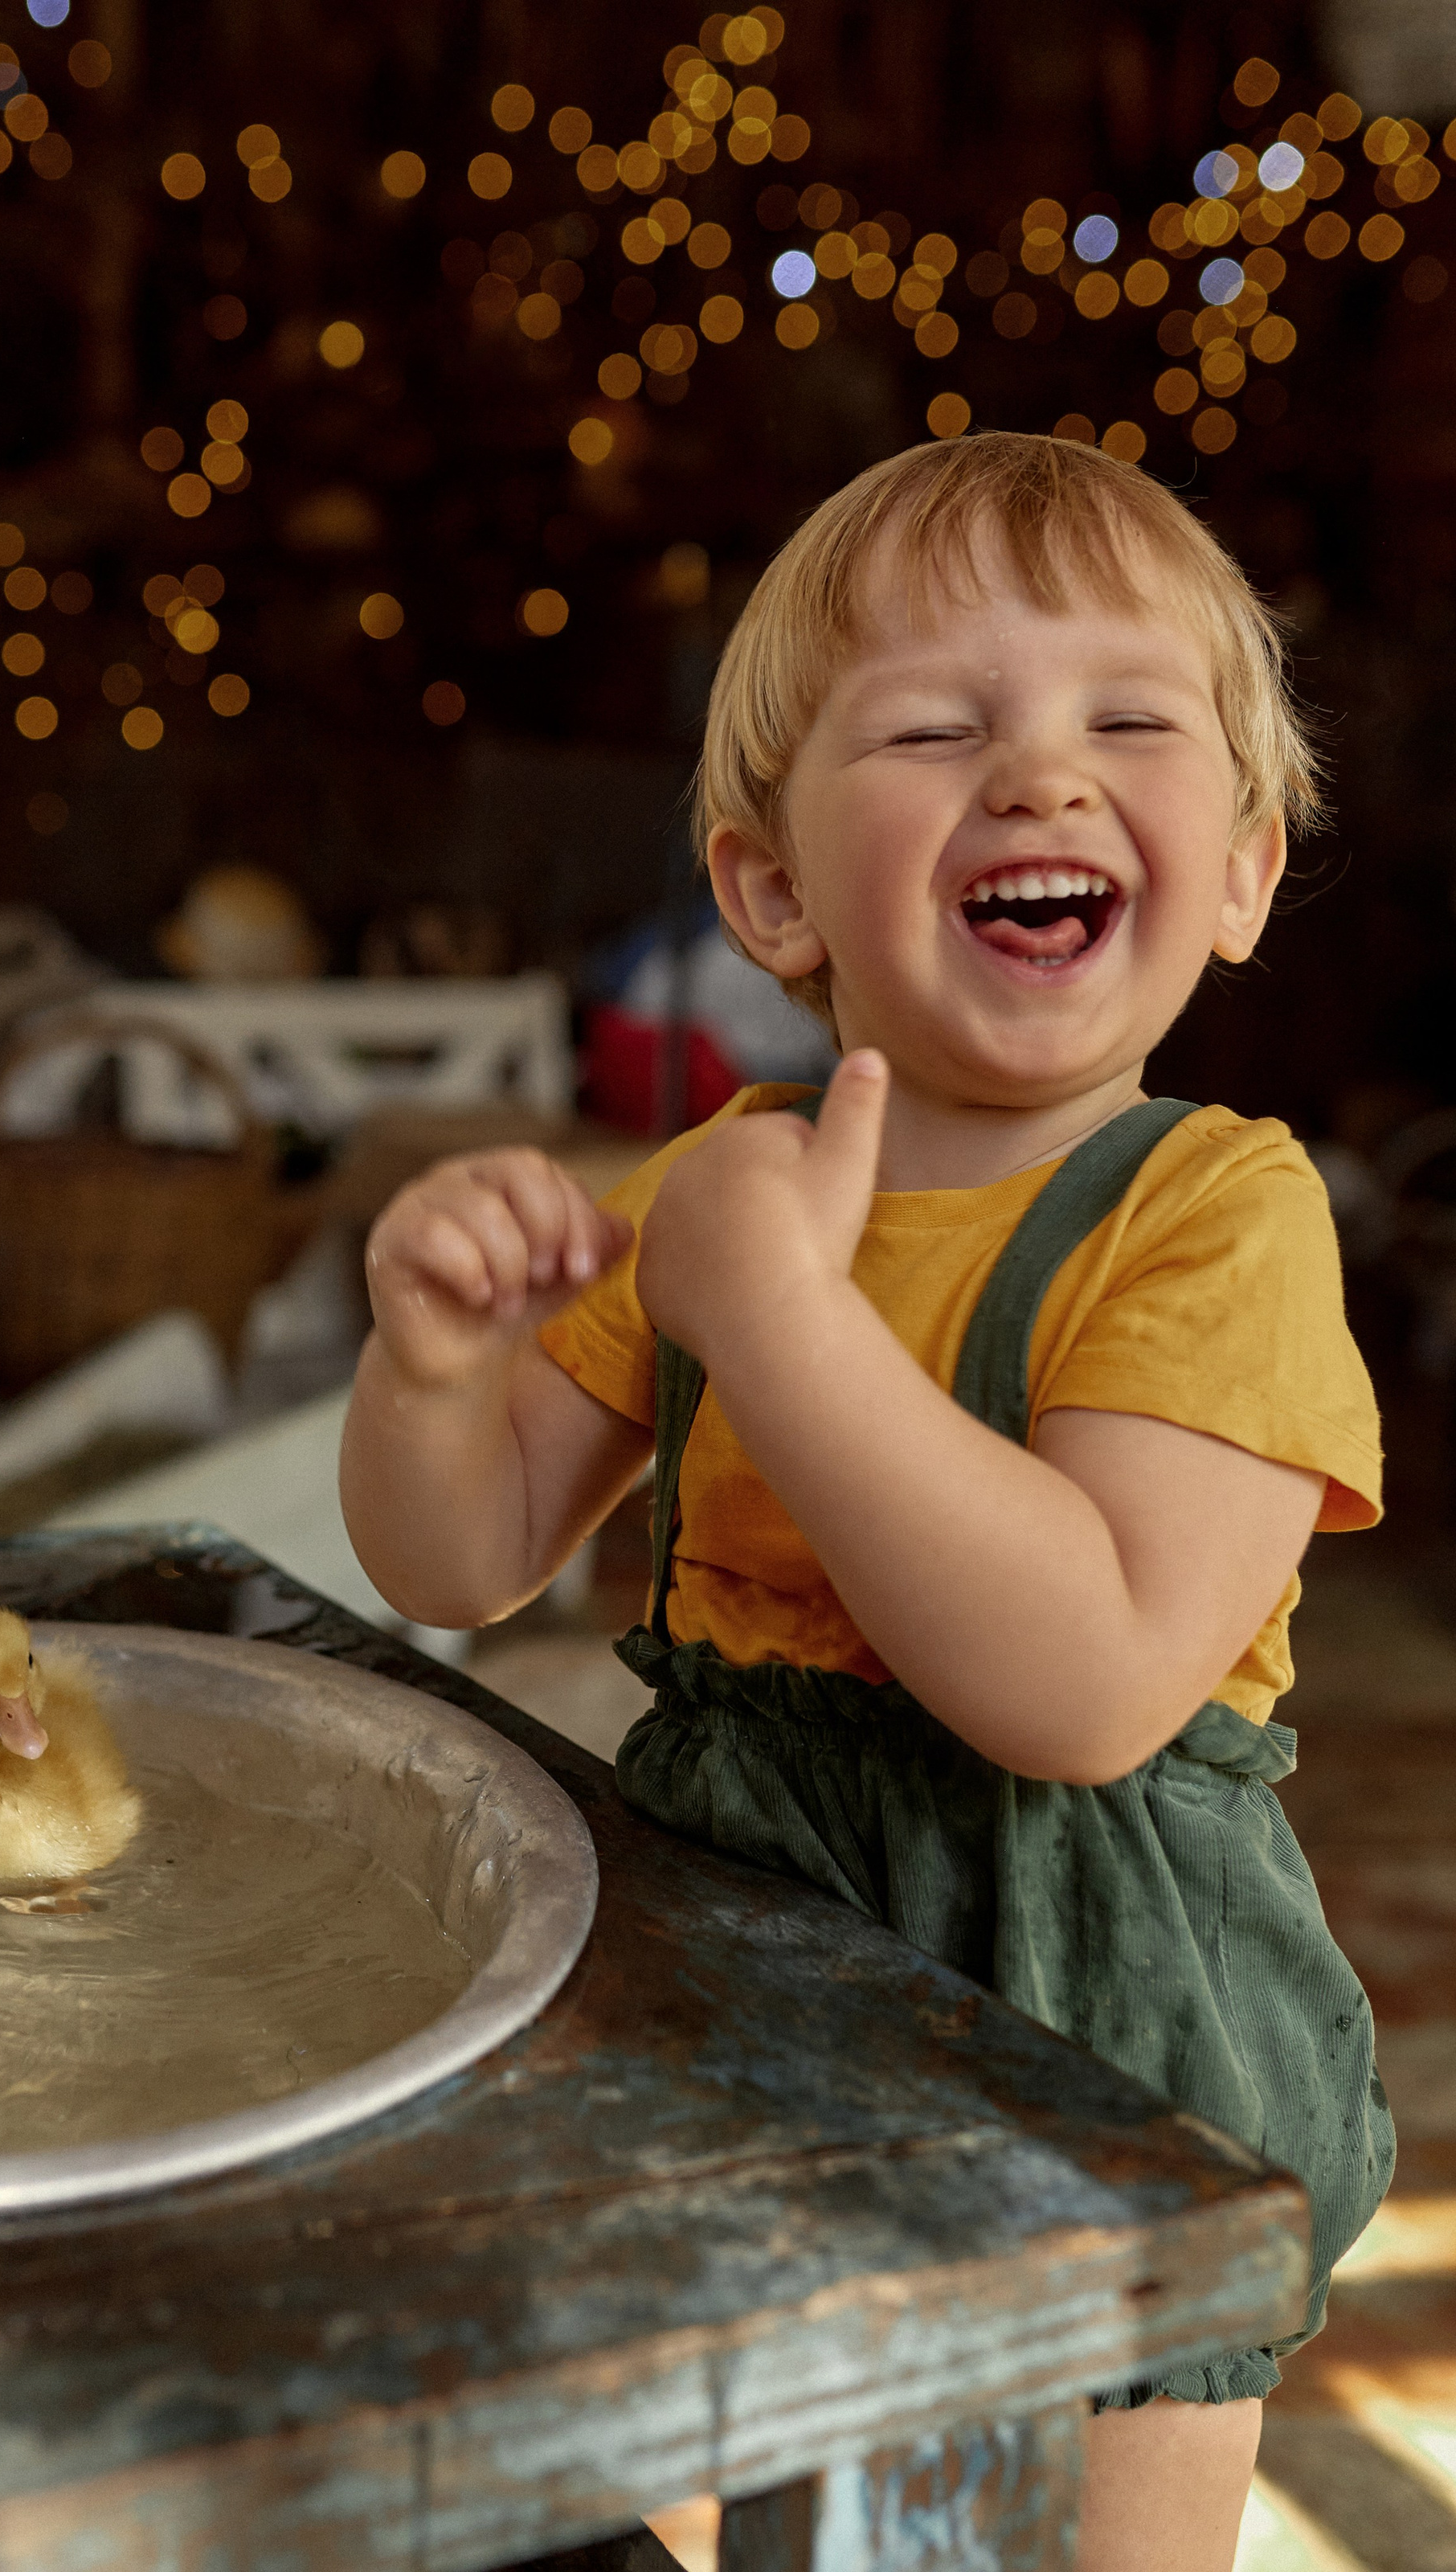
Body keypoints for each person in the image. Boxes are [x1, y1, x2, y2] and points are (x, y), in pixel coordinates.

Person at [339, 431, 1393, 2572]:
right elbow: (454, 1555)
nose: (1042, 780)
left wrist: (783, 1327)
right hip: (753, 2010)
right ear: (771, 893)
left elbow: (1088, 1682)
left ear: (1252, 866)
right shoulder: (731, 1185)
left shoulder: (1217, 1213)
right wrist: (430, 1368)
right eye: (938, 728)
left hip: (1098, 2049)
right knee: (772, 2529)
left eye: (1129, 722)